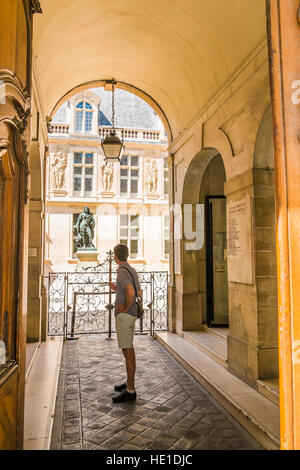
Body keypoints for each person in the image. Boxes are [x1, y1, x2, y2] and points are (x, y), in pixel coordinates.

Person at [109, 244, 142, 403]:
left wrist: (125, 307)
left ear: (115, 256)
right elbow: (138, 292)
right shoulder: (131, 270)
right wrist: (117, 289)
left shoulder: (122, 272)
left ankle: (130, 390)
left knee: (128, 350)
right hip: (131, 314)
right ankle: (129, 382)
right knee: (128, 349)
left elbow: (131, 292)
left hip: (125, 315)